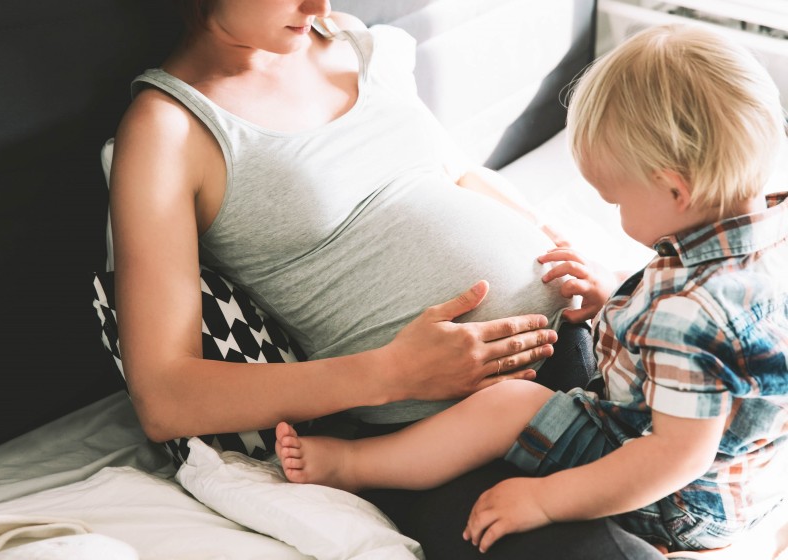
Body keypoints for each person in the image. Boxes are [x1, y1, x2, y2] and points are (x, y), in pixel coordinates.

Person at [108, 1, 664, 558]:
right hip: (435, 439)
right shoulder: (167, 131)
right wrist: (389, 373)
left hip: (584, 347)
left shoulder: (348, 40)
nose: (320, 5)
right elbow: (164, 397)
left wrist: (576, 262)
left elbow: (459, 174)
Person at [274, 23, 788, 555]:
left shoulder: (690, 315)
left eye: (617, 201)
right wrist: (617, 292)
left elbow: (672, 457)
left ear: (676, 189)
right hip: (753, 483)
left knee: (509, 405)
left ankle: (353, 465)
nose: (616, 214)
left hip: (677, 496)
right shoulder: (761, 240)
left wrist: (547, 499)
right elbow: (718, 346)